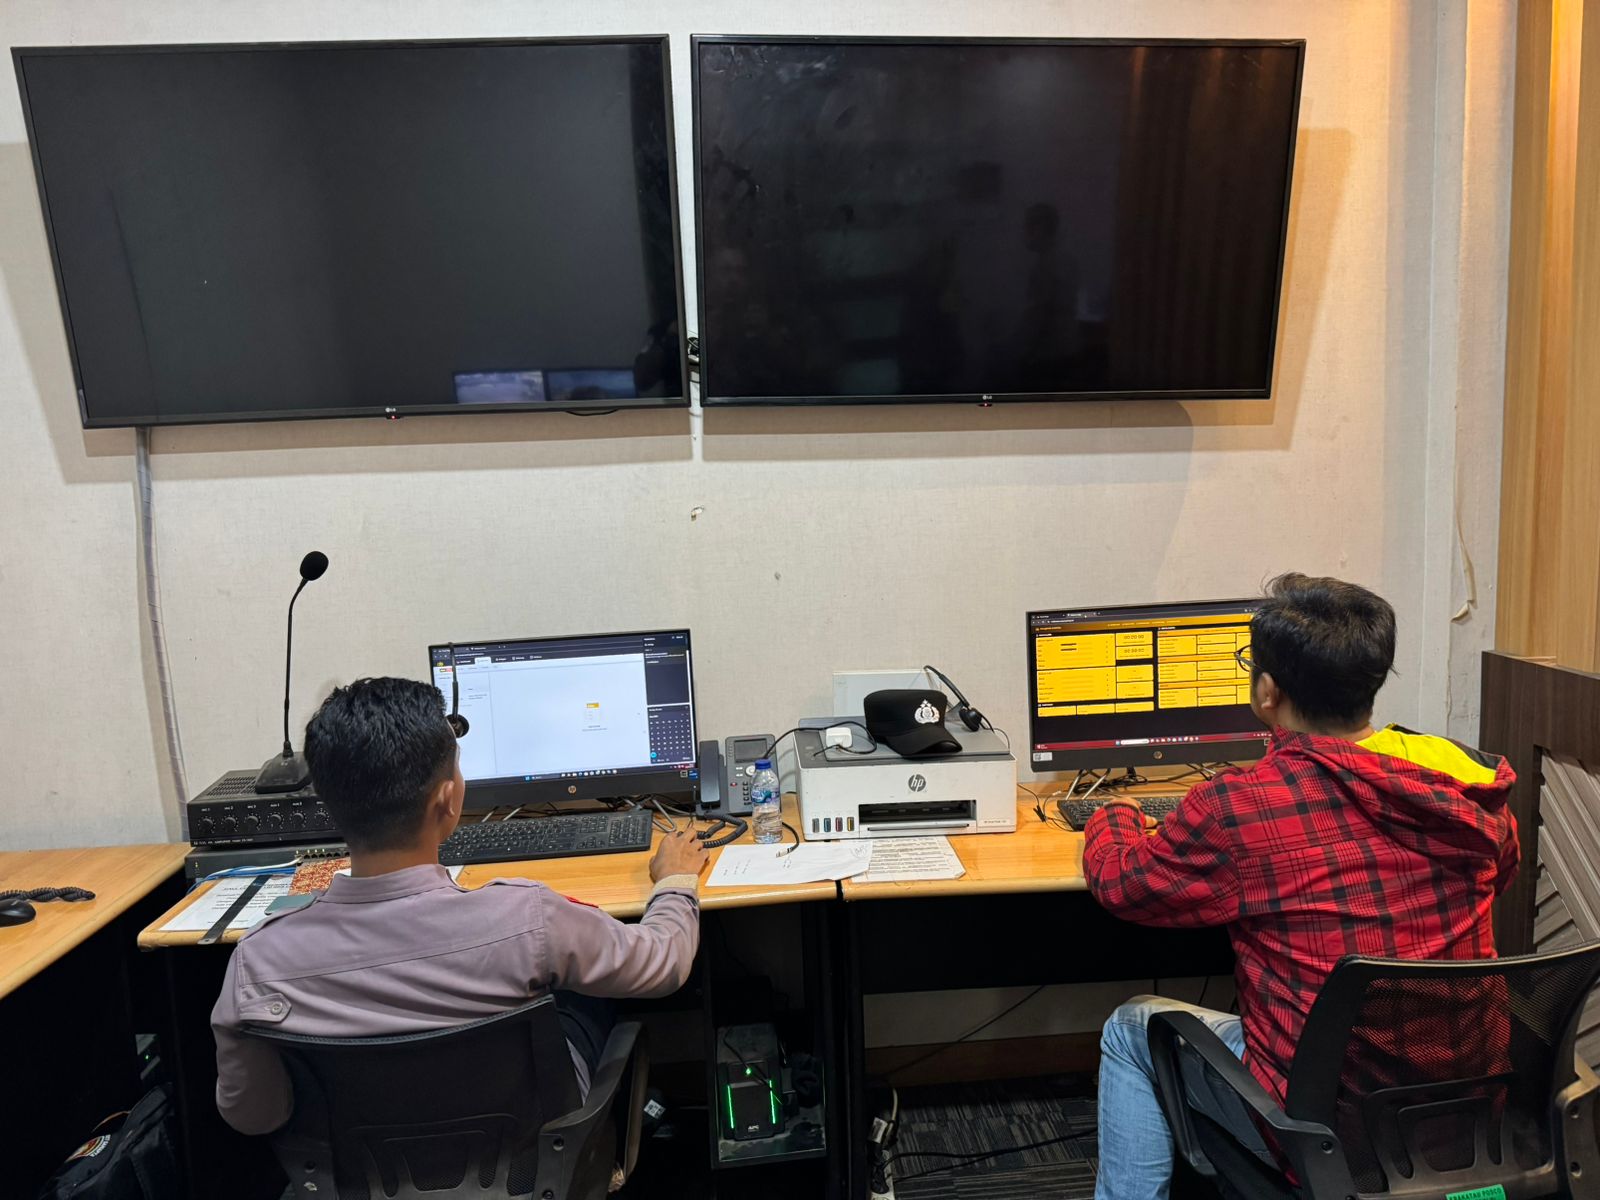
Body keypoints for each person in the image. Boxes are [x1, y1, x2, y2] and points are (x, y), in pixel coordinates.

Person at [1083, 574, 1518, 1200]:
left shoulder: (1240, 807)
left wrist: (1113, 816)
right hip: (1463, 1120)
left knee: (1130, 1027)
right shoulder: (1463, 782)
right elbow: (1502, 871)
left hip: (1325, 1131)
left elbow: (1123, 884)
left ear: (1267, 691)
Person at [211, 676, 708, 1136]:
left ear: (326, 801)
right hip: (530, 1160)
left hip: (361, 1175)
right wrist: (675, 881)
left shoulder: (258, 962)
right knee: (579, 992)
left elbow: (256, 1116)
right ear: (448, 800)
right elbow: (662, 963)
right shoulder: (528, 919)